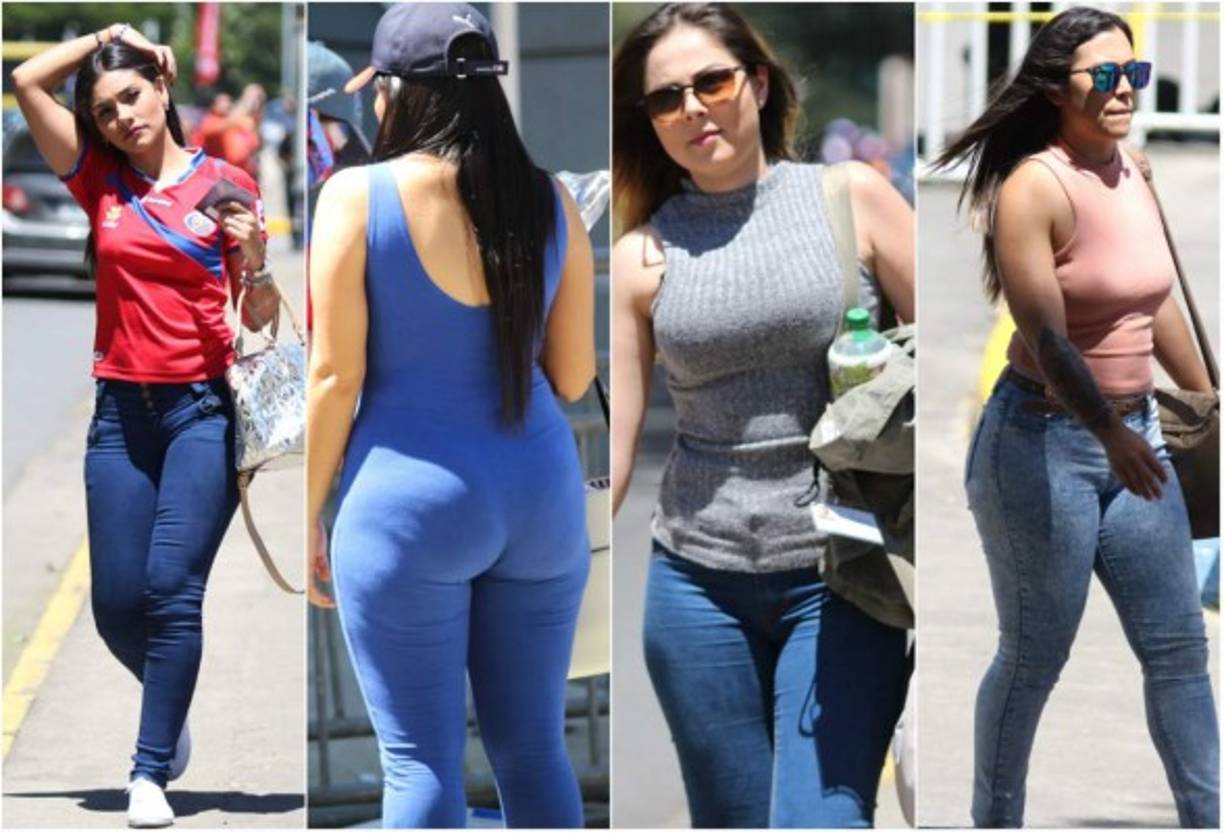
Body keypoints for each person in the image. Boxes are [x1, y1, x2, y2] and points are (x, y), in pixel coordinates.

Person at [611, 3, 915, 827]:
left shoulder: (852, 198)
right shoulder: (642, 255)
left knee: (821, 817)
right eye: (666, 98)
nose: (692, 109)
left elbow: (939, 357)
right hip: (693, 587)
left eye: (711, 81)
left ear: (759, 81)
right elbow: (617, 435)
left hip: (843, 572)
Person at [306, 3, 596, 827]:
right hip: (538, 496)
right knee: (536, 750)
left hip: (405, 504)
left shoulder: (354, 196)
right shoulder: (549, 202)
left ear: (395, 91)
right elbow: (573, 375)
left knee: (419, 764)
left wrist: (307, 512)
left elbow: (334, 374)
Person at [935, 6, 1219, 827]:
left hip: (1138, 437)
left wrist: (1206, 403)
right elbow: (1046, 337)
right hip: (1042, 444)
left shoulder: (1138, 172)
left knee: (1177, 650)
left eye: (1134, 72)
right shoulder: (1034, 187)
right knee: (1032, 660)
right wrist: (1110, 436)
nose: (1127, 88)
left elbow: (1152, 302)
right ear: (1061, 88)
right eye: (1107, 74)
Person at [10, 23, 280, 829]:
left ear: (162, 91)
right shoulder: (100, 182)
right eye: (104, 110)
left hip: (203, 411)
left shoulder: (226, 185)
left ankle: (148, 768)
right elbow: (27, 82)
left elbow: (256, 313)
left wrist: (258, 258)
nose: (122, 116)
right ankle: (172, 701)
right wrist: (105, 35)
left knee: (171, 589)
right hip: (118, 415)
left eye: (131, 95)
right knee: (116, 603)